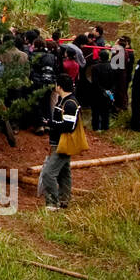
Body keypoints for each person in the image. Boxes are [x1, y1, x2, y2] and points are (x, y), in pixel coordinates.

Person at [39, 74, 80, 211]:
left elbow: (68, 126)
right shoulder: (63, 101)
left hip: (63, 144)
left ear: (60, 86)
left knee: (48, 174)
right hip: (58, 142)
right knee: (64, 173)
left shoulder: (69, 104)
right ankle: (64, 201)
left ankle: (52, 203)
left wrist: (51, 123)